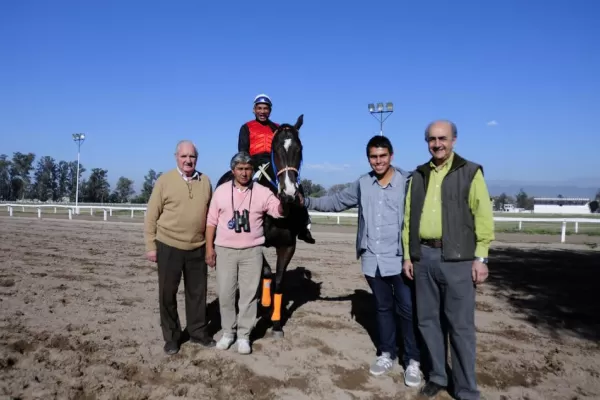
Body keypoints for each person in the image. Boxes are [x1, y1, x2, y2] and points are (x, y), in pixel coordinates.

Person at [299, 135, 422, 387]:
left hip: (400, 260)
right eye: (373, 157)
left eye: (382, 156)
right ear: (368, 158)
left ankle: (413, 361)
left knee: (408, 311)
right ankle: (387, 353)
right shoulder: (363, 183)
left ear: (391, 155)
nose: (378, 161)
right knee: (383, 308)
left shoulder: (408, 181)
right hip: (371, 259)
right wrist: (307, 201)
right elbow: (336, 202)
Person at [401, 120, 494, 399]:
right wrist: (408, 255)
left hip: (459, 260)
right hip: (423, 258)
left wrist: (482, 257)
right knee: (428, 321)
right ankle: (439, 376)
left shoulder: (470, 172)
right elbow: (408, 220)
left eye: (442, 138)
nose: (437, 144)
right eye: (432, 139)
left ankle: (466, 389)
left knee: (460, 327)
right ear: (426, 142)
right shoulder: (417, 175)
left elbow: (483, 216)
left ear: (454, 140)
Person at [205, 151, 286, 354]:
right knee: (226, 294)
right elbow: (211, 222)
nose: (244, 173)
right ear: (233, 171)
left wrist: (286, 201)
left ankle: (243, 336)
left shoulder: (261, 192)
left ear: (253, 171)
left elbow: (278, 211)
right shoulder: (221, 191)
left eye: (248, 169)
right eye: (240, 169)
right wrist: (209, 248)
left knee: (249, 296)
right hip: (225, 251)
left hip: (252, 251)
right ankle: (228, 333)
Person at [144, 140, 216, 355]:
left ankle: (198, 332)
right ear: (176, 157)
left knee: (198, 294)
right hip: (168, 246)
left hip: (197, 247)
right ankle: (172, 337)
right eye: (184, 156)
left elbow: (212, 216)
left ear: (197, 158)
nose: (188, 160)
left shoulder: (206, 181)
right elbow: (151, 216)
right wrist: (150, 245)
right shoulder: (164, 181)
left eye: (192, 156)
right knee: (168, 294)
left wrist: (210, 246)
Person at [238, 93, 314, 244]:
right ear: (254, 110)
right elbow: (242, 150)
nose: (262, 111)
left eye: (265, 108)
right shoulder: (246, 127)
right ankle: (242, 221)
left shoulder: (278, 128)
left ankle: (304, 225)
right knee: (245, 187)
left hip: (275, 161)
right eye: (259, 108)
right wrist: (249, 164)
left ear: (270, 110)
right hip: (254, 163)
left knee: (294, 183)